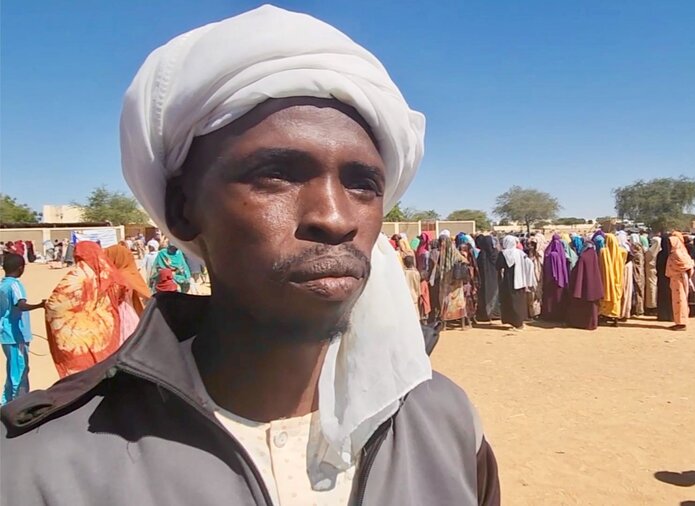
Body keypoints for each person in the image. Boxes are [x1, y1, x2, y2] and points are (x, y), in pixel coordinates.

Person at [1, 7, 499, 505]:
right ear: (182, 209)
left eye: (363, 184)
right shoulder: (43, 468)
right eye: (277, 175)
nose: (335, 216)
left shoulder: (445, 425)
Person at [44, 242, 129, 378]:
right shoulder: (108, 273)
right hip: (103, 330)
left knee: (81, 374)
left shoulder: (78, 274)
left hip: (78, 333)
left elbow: (55, 304)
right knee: (102, 368)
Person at [0, 254, 44, 404]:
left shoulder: (3, 284)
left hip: (6, 334)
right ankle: (17, 404)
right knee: (20, 370)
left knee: (13, 369)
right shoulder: (14, 285)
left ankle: (6, 402)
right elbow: (21, 304)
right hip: (16, 335)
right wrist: (40, 305)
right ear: (21, 268)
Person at [498, 235, 534, 330]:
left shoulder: (503, 253)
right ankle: (519, 322)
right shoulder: (520, 253)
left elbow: (498, 265)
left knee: (512, 301)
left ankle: (517, 324)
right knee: (519, 301)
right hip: (520, 280)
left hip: (509, 280)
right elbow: (530, 263)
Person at [566, 242, 604, 330]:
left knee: (581, 305)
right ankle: (592, 324)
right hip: (593, 285)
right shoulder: (594, 255)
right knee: (592, 307)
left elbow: (578, 271)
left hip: (583, 286)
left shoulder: (583, 257)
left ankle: (581, 323)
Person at [666, 232, 694, 331]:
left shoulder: (678, 253)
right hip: (676, 278)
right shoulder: (678, 252)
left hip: (679, 278)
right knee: (677, 299)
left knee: (680, 299)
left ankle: (681, 323)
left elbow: (687, 264)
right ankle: (679, 321)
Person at [599, 233, 627, 326]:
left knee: (607, 296)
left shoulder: (603, 252)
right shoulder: (622, 251)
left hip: (607, 279)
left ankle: (605, 315)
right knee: (616, 298)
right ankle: (615, 317)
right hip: (618, 278)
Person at [541, 234, 569, 322]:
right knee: (557, 298)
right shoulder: (560, 252)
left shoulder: (549, 253)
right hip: (559, 280)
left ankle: (550, 315)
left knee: (550, 298)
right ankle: (559, 315)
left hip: (550, 280)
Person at [475, 235, 500, 323]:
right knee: (495, 295)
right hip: (495, 278)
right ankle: (496, 313)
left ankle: (485, 314)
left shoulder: (482, 254)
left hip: (484, 279)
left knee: (484, 295)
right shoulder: (495, 253)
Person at [629, 233, 645, 317]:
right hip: (640, 274)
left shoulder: (636, 252)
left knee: (638, 292)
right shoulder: (640, 250)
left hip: (637, 275)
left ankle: (639, 310)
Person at [403, 255, 423, 320]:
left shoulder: (403, 273)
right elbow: (417, 286)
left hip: (405, 296)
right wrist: (419, 293)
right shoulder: (416, 273)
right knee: (415, 314)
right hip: (414, 296)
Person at [644, 236, 661, 312]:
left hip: (650, 270)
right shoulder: (660, 250)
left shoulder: (650, 251)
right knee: (655, 286)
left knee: (651, 287)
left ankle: (651, 305)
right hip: (656, 270)